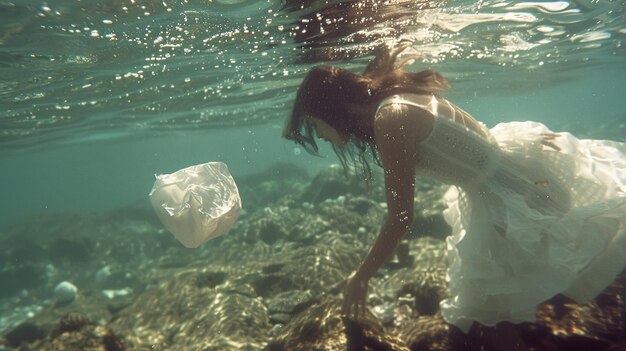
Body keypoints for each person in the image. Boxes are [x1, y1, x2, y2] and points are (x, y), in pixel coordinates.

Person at [283, 46, 626, 335]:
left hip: (515, 194)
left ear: (330, 111)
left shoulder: (391, 117)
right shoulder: (389, 95)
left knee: (494, 308)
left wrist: (361, 276)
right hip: (515, 176)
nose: (323, 136)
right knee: (513, 301)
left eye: (315, 125)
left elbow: (401, 217)